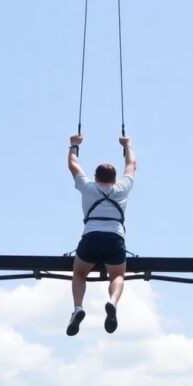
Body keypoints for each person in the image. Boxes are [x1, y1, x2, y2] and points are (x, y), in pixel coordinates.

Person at [65, 132, 136, 336]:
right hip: (115, 237)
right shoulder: (122, 188)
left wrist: (74, 145)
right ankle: (112, 302)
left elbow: (73, 165)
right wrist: (127, 145)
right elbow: (131, 166)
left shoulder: (88, 187)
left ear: (96, 178)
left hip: (91, 237)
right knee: (118, 275)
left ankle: (78, 308)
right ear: (115, 178)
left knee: (79, 273)